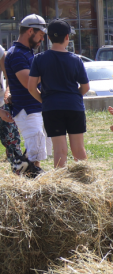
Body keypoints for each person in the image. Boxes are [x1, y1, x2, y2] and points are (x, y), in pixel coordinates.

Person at [27, 19, 89, 168]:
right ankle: (85, 182)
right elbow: (85, 87)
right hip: (74, 106)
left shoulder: (39, 59)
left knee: (59, 150)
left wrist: (44, 100)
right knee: (78, 148)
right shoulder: (76, 60)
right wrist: (75, 96)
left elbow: (31, 87)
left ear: (48, 38)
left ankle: (61, 184)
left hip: (51, 107)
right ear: (67, 37)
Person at [4, 14, 52, 168]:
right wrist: (47, 70)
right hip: (27, 110)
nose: (42, 40)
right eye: (41, 35)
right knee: (35, 154)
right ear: (30, 31)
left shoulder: (26, 52)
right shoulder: (17, 53)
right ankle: (26, 180)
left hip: (33, 108)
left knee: (36, 153)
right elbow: (27, 82)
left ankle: (24, 172)